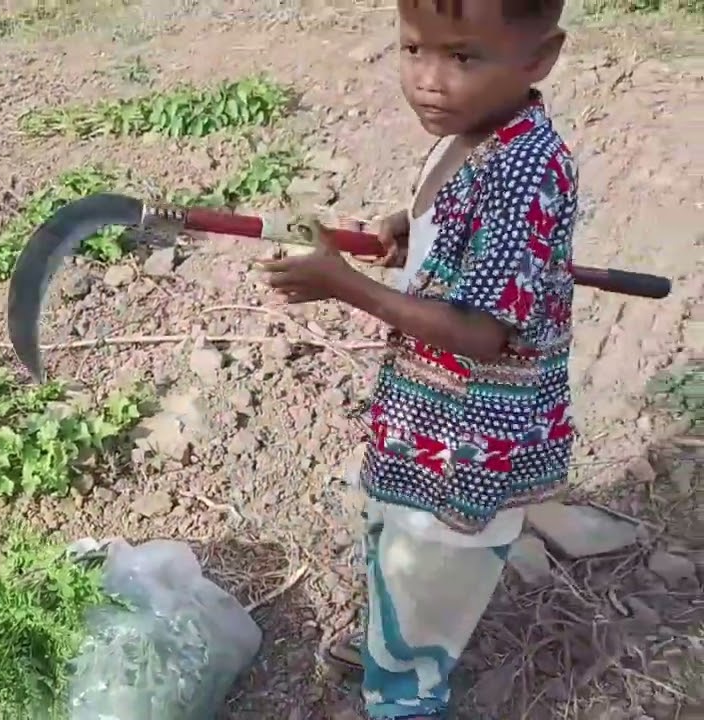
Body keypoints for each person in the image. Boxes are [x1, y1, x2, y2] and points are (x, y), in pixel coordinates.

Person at [255, 0, 578, 717]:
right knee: (395, 539)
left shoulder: (525, 169)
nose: (429, 80)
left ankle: (406, 689)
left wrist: (346, 285)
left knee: (431, 565)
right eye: (413, 50)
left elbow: (481, 332)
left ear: (539, 60)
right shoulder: (473, 130)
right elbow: (458, 223)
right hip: (427, 414)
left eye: (462, 57)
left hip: (470, 437)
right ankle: (387, 639)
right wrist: (416, 226)